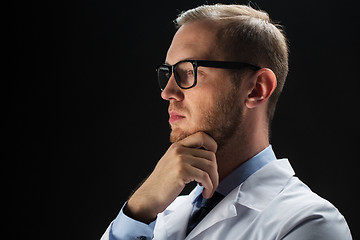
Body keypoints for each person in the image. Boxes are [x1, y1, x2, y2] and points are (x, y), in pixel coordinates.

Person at [101, 4, 352, 240]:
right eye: (168, 73)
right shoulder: (152, 216)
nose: (167, 92)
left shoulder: (309, 222)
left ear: (256, 89)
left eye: (189, 71)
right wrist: (138, 208)